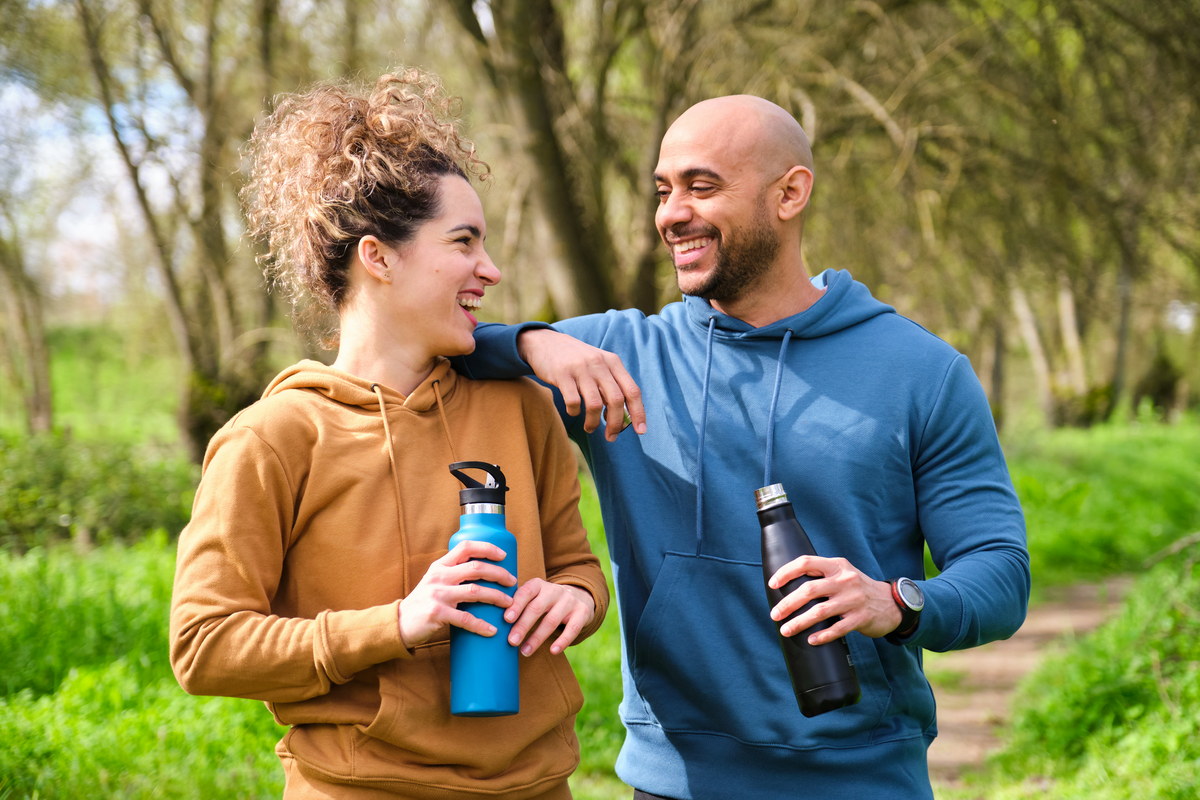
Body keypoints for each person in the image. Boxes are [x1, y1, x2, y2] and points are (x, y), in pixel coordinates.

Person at [454, 94, 1030, 799]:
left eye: (702, 186)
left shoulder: (920, 371)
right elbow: (440, 346)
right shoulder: (618, 356)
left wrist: (895, 601)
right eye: (663, 191)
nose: (671, 214)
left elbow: (1000, 574)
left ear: (790, 194)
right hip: (673, 783)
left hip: (858, 779)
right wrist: (531, 340)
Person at [168, 69, 609, 800]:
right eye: (464, 241)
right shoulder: (274, 438)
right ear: (378, 257)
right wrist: (396, 624)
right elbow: (204, 645)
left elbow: (578, 567)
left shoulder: (520, 408)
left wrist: (576, 601)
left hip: (538, 786)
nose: (490, 269)